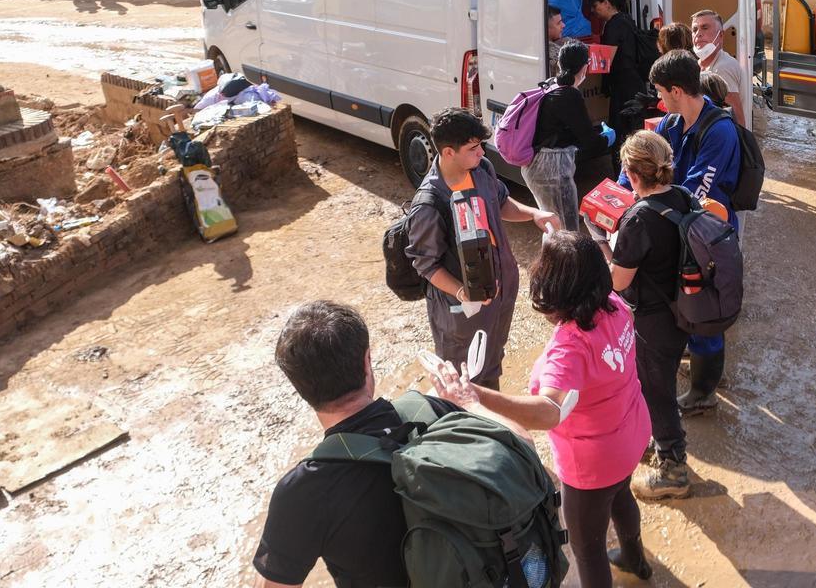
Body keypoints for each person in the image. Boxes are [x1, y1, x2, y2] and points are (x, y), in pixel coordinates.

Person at [426, 232, 654, 587]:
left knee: (588, 549)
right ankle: (635, 560)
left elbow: (549, 410)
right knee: (621, 495)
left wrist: (474, 396)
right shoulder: (614, 303)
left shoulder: (570, 347)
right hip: (633, 431)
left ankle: (630, 559)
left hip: (593, 462)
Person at [253, 299, 509, 587]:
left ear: (299, 387)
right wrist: (468, 405)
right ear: (367, 360)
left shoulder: (302, 492)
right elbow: (521, 446)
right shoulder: (433, 412)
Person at [619, 52, 740, 419]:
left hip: (702, 235)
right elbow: (645, 162)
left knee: (702, 310)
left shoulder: (720, 130)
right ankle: (691, 358)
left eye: (660, 91)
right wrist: (622, 192)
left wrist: (643, 204)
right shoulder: (672, 122)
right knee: (678, 304)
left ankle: (704, 391)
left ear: (676, 90)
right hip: (673, 225)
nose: (658, 99)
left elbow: (696, 190)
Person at [405, 108, 558, 389]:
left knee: (491, 359)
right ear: (448, 152)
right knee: (466, 377)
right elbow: (427, 265)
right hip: (464, 306)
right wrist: (464, 293)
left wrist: (534, 214)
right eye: (473, 148)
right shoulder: (429, 204)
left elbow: (501, 203)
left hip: (500, 290)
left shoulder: (481, 169)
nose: (482, 154)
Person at [610, 131, 696, 499]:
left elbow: (617, 281)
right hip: (685, 309)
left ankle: (673, 468)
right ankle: (651, 437)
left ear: (631, 174)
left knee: (656, 388)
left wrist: (603, 247)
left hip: (653, 319)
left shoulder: (638, 219)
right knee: (656, 383)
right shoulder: (683, 197)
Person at [523, 42, 615, 233]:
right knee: (567, 233)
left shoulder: (552, 86)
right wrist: (608, 138)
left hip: (538, 168)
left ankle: (557, 262)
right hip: (552, 172)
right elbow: (591, 143)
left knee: (555, 229)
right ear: (584, 67)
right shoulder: (569, 95)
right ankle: (565, 264)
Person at [589, 0, 650, 148]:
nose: (593, 11)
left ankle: (624, 170)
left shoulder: (614, 25)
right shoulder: (625, 18)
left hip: (624, 87)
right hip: (634, 83)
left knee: (622, 133)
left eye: (595, 6)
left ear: (607, 3)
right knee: (636, 132)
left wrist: (582, 56)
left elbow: (604, 61)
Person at [691, 9, 748, 127]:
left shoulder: (723, 67)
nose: (698, 34)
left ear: (721, 35)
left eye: (705, 28)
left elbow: (737, 118)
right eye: (695, 29)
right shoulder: (697, 65)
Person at [546, 4, 571, 72]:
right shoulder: (553, 55)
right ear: (545, 28)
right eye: (558, 23)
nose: (563, 25)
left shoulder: (565, 42)